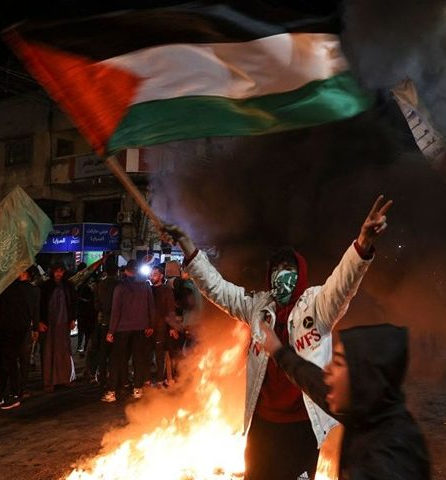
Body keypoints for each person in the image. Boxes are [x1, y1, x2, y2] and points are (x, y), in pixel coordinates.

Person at [164, 195, 392, 480]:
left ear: (301, 274)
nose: (281, 277)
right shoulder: (258, 307)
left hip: (303, 426)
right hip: (262, 425)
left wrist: (362, 244)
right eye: (276, 271)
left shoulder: (318, 306)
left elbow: (343, 283)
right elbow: (217, 288)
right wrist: (187, 245)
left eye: (289, 271)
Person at [259, 321, 431, 480]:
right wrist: (278, 352)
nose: (327, 369)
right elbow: (315, 383)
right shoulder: (368, 412)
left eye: (339, 363)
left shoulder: (388, 461)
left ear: (363, 376)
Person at [0, 268, 39, 409]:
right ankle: (0, 394)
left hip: (11, 328)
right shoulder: (26, 289)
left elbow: (4, 310)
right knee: (5, 360)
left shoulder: (16, 289)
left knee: (10, 360)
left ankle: (13, 394)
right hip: (12, 328)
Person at [103, 260, 154, 402]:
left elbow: (116, 311)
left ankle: (112, 391)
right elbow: (151, 307)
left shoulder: (120, 288)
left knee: (117, 359)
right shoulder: (146, 286)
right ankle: (137, 389)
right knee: (139, 359)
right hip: (140, 327)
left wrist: (111, 331)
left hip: (122, 328)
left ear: (126, 270)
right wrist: (150, 325)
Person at [39, 264, 77, 392]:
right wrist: (39, 321)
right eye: (56, 271)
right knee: (48, 351)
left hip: (63, 323)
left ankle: (65, 379)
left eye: (61, 271)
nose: (59, 274)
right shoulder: (45, 287)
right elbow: (40, 305)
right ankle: (49, 382)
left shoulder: (68, 286)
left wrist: (72, 319)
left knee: (64, 351)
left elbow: (72, 303)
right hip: (49, 324)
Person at [90, 262, 120, 389]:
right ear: (117, 271)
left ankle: (102, 377)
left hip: (104, 321)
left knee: (103, 351)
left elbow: (96, 304)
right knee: (116, 352)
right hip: (118, 323)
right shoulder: (120, 285)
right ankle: (115, 378)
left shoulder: (100, 285)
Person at [149, 264, 179, 386]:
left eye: (154, 274)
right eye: (151, 274)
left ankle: (160, 379)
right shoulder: (149, 289)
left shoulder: (166, 290)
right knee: (147, 353)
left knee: (159, 354)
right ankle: (148, 379)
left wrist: (172, 327)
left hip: (161, 328)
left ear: (161, 276)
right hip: (148, 327)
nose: (152, 276)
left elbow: (170, 310)